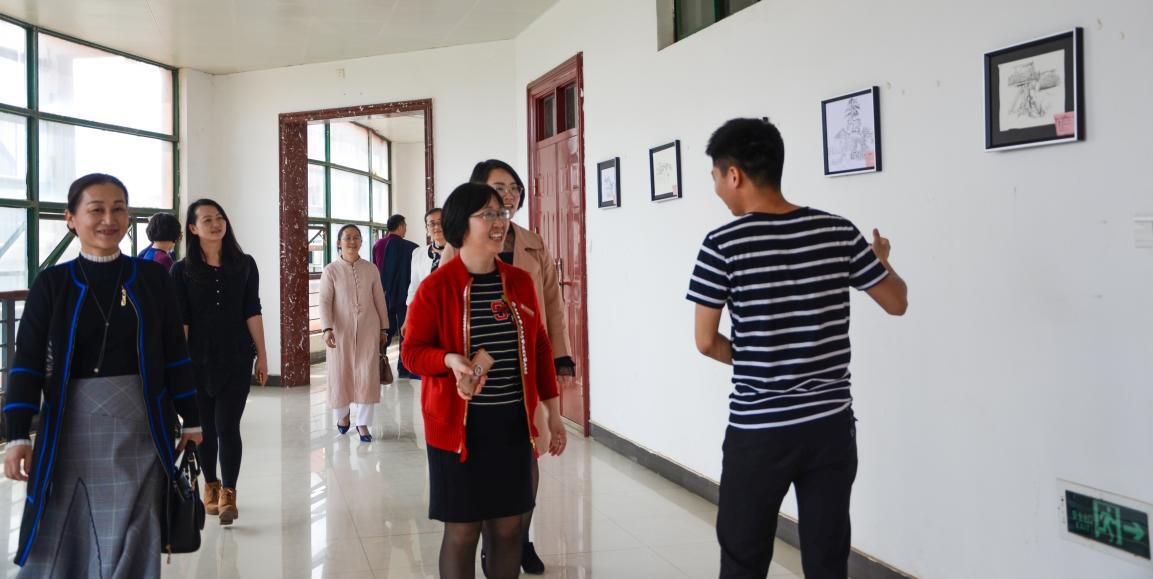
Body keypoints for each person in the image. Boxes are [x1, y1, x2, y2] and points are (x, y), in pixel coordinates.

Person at [687, 118, 908, 579]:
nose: (716, 189)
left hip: (759, 430)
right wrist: (881, 262)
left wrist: (755, 359)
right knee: (828, 560)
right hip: (830, 427)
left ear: (734, 175)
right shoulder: (838, 231)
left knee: (743, 561)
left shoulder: (722, 245)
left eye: (715, 177)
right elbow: (897, 302)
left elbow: (705, 341)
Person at [2, 173, 201, 577]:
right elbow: (27, 362)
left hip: (143, 425)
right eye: (96, 210)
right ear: (71, 219)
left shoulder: (151, 279)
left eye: (118, 209)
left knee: (137, 527)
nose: (109, 219)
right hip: (71, 430)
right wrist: (18, 434)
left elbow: (175, 354)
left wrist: (192, 419)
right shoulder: (53, 284)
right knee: (68, 522)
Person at [403, 183, 567, 579]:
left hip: (511, 426)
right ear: (461, 225)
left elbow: (539, 348)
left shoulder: (519, 282)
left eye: (501, 213)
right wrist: (448, 360)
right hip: (457, 432)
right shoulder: (436, 287)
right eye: (487, 214)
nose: (499, 222)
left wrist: (553, 413)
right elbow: (411, 353)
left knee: (509, 529)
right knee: (463, 532)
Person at [443, 159, 573, 574]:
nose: (509, 196)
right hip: (473, 377)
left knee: (526, 461)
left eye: (514, 188)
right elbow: (441, 312)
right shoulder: (456, 246)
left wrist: (561, 356)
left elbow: (551, 304)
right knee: (478, 476)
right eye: (499, 189)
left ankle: (517, 539)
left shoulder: (534, 244)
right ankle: (490, 537)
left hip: (524, 371)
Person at [172, 198, 269, 526]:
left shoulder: (245, 264)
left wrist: (262, 355)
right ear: (192, 228)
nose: (216, 224)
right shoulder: (181, 270)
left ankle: (229, 492)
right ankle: (210, 485)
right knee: (205, 429)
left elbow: (252, 310)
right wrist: (177, 366)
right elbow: (182, 320)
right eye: (207, 220)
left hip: (236, 357)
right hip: (196, 360)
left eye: (220, 218)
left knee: (228, 426)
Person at [319, 224, 390, 442]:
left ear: (361, 242)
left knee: (367, 375)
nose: (352, 241)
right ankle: (342, 415)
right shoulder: (330, 270)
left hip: (369, 328)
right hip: (340, 331)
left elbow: (379, 299)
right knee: (340, 374)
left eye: (356, 237)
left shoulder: (371, 269)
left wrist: (383, 328)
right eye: (347, 238)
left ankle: (363, 423)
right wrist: (327, 328)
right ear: (338, 243)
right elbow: (324, 301)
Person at [372, 214, 419, 379]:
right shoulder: (413, 248)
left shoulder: (378, 245)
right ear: (400, 227)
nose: (405, 230)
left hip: (383, 294)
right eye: (405, 226)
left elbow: (375, 270)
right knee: (405, 330)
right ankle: (403, 367)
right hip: (405, 296)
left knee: (385, 330)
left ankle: (378, 365)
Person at [406, 207, 446, 309]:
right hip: (426, 309)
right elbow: (414, 287)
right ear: (427, 229)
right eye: (432, 223)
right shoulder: (418, 253)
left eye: (441, 222)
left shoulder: (460, 252)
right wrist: (408, 315)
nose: (437, 226)